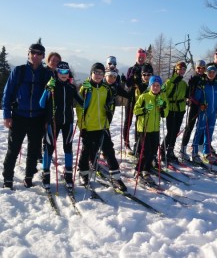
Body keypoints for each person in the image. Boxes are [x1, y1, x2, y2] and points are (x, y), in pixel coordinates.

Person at [2, 43, 52, 189]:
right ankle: (8, 178)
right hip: (18, 116)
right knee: (13, 149)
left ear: (43, 56)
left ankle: (29, 177)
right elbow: (7, 93)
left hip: (38, 118)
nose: (35, 56)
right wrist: (6, 115)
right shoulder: (19, 71)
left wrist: (47, 120)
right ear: (28, 53)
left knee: (34, 149)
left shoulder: (46, 74)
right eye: (33, 52)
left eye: (39, 53)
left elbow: (51, 100)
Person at [76, 63, 127, 191]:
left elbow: (109, 105)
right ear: (91, 73)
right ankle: (83, 173)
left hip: (103, 125)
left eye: (100, 73)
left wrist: (109, 109)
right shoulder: (85, 88)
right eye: (96, 72)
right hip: (88, 126)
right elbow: (79, 108)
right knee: (86, 150)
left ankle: (116, 176)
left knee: (109, 150)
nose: (98, 75)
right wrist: (82, 126)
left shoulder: (106, 88)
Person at [39, 61, 84, 189]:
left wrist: (88, 91)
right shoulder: (52, 86)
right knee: (49, 147)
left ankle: (68, 174)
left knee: (68, 148)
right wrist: (47, 90)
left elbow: (83, 104)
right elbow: (41, 104)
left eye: (66, 72)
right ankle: (46, 174)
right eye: (61, 72)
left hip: (68, 122)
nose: (64, 74)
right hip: (53, 122)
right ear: (56, 72)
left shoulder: (71, 87)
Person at [133, 75, 169, 186]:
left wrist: (162, 107)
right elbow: (136, 110)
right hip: (144, 129)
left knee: (153, 150)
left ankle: (146, 169)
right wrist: (144, 109)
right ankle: (138, 170)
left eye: (158, 86)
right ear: (150, 86)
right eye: (154, 85)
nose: (156, 88)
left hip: (155, 129)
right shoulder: (144, 97)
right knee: (145, 151)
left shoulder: (161, 97)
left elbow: (165, 114)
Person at [191, 65, 217, 161]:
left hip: (213, 112)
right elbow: (197, 98)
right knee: (199, 131)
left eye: (213, 72)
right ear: (206, 73)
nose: (211, 74)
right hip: (204, 111)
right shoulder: (203, 83)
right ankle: (194, 152)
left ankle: (206, 152)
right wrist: (200, 103)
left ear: (215, 74)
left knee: (209, 132)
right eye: (209, 72)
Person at [161, 61, 188, 163]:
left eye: (183, 70)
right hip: (171, 109)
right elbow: (161, 93)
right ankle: (163, 149)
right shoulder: (169, 82)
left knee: (175, 131)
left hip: (180, 109)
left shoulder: (184, 84)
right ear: (175, 70)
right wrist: (162, 105)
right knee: (170, 131)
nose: (182, 71)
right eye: (180, 69)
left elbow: (187, 94)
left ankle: (170, 150)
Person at [123, 49, 149, 151]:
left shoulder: (147, 68)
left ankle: (137, 143)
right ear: (136, 57)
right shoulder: (131, 68)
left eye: (143, 57)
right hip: (131, 97)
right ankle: (126, 143)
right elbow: (127, 84)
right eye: (139, 57)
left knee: (139, 122)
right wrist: (129, 77)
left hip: (142, 98)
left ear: (145, 57)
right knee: (128, 121)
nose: (141, 59)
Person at [180, 60, 206, 160]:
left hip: (203, 107)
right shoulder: (194, 79)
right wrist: (198, 104)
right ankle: (182, 150)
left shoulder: (205, 78)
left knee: (200, 128)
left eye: (202, 68)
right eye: (198, 68)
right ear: (196, 68)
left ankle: (195, 151)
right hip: (195, 107)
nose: (200, 70)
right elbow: (190, 95)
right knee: (189, 127)